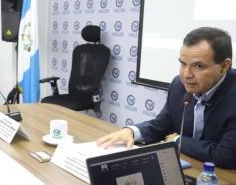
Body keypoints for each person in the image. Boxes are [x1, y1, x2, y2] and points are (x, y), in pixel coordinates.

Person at [97, 27, 236, 169]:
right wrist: (131, 131)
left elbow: (225, 155)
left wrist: (177, 140)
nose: (186, 74)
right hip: (193, 167)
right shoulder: (179, 84)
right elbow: (162, 124)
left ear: (224, 66)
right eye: (183, 64)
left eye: (198, 66)